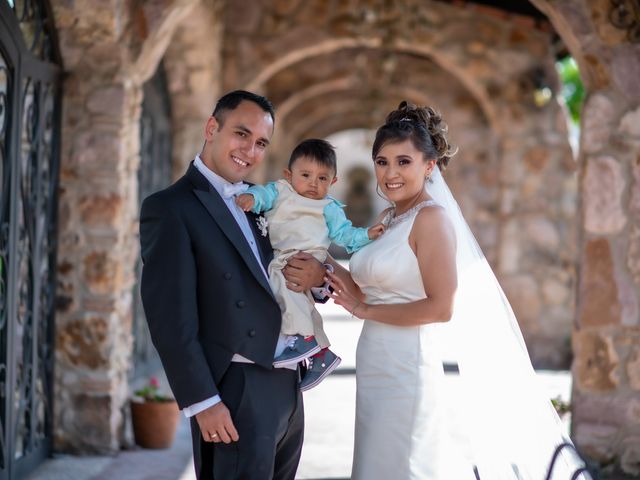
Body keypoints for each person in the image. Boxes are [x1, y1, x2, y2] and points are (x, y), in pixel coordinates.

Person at [327, 102, 592, 479]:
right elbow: (370, 289)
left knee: (404, 465)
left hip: (408, 365)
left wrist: (364, 311)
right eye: (382, 162)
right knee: (377, 464)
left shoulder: (431, 219)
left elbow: (440, 308)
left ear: (429, 166)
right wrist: (324, 264)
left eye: (404, 162)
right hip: (375, 360)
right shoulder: (390, 217)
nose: (390, 173)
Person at [139, 90, 328, 480]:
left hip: (287, 384)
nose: (250, 150)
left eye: (261, 143)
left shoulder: (264, 202)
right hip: (235, 388)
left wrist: (317, 281)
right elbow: (170, 317)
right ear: (212, 128)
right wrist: (203, 401)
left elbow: (282, 270)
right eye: (241, 134)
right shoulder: (170, 208)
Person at [235, 138, 385, 391]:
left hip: (307, 257)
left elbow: (344, 235)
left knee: (283, 288)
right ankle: (321, 353)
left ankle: (303, 339)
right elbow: (263, 194)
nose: (314, 183)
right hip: (283, 254)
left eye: (323, 178)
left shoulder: (329, 207)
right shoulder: (281, 190)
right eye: (305, 175)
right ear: (288, 174)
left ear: (334, 181)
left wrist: (366, 235)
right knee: (302, 303)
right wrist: (251, 197)